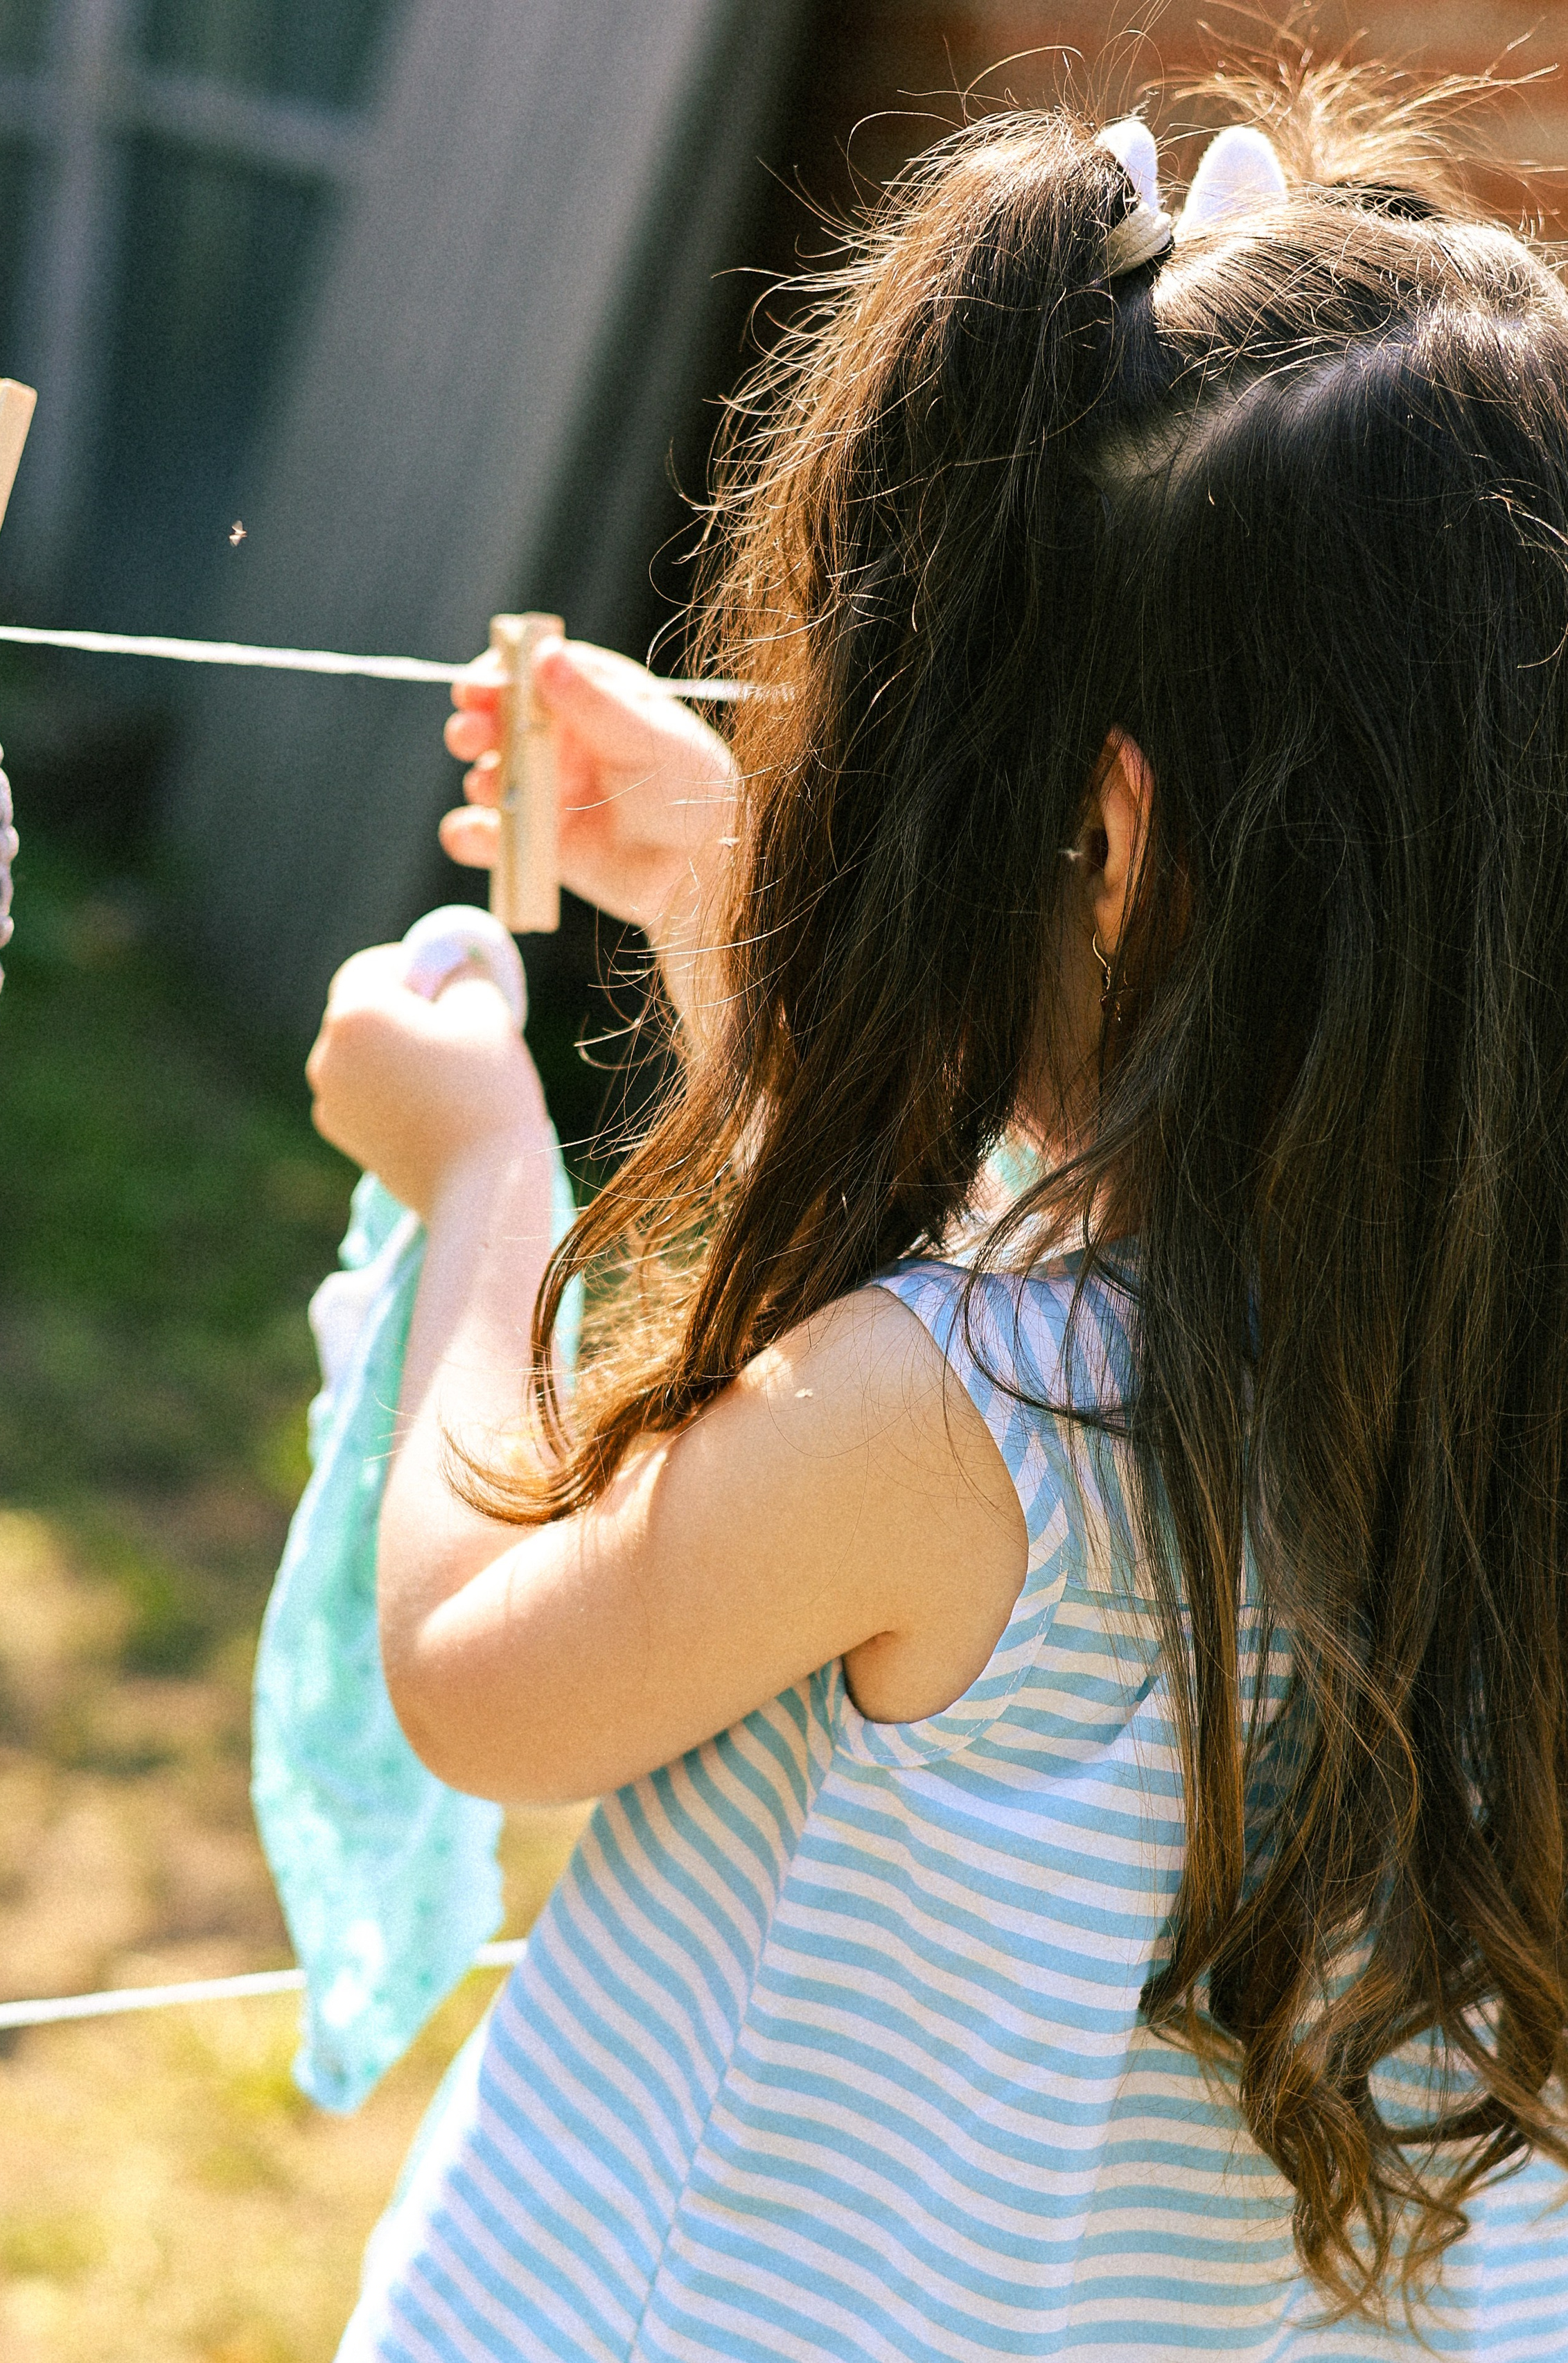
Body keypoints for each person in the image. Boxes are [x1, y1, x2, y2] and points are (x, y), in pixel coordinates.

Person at [304, 66, 1568, 2361]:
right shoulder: (1473, 1382)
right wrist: (705, 881)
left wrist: (486, 1172)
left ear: (1104, 839)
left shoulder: (953, 1421)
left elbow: (479, 1673)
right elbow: (1029, 1196)